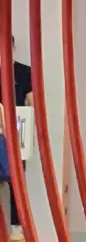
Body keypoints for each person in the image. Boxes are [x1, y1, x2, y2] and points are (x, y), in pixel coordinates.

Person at [0, 36, 31, 235]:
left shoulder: (24, 71)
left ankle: (16, 224)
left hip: (18, 129)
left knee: (16, 176)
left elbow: (32, 102)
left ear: (13, 48)